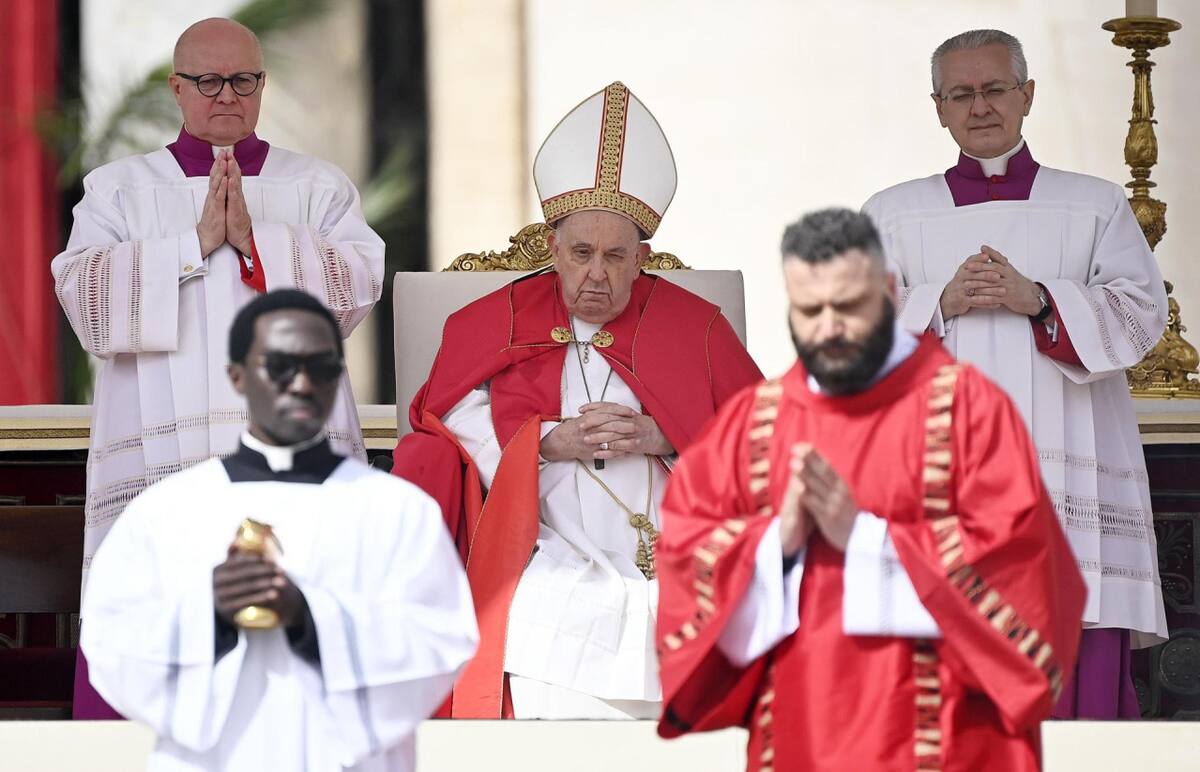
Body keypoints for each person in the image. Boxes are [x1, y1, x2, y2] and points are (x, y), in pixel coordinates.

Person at [656, 209, 1085, 770]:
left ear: (887, 291)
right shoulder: (752, 427)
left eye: (848, 307)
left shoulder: (969, 412)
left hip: (949, 740)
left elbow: (1024, 567)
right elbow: (688, 554)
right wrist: (775, 543)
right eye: (810, 311)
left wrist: (863, 538)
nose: (829, 328)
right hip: (802, 734)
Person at [391, 82, 762, 719]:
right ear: (552, 248)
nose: (597, 274)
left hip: (669, 532)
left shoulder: (694, 325)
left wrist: (664, 435)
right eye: (582, 254)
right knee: (550, 608)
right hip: (543, 534)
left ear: (642, 257)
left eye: (617, 257)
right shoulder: (493, 319)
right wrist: (544, 442)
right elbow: (444, 418)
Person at [51, 17, 384, 717]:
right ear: (176, 87)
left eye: (243, 80)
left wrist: (257, 242)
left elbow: (355, 288)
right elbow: (84, 298)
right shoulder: (118, 190)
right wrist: (193, 244)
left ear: (261, 85)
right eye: (207, 81)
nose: (225, 96)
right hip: (163, 452)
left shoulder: (316, 187)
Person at [862, 28, 1168, 718]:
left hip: (1069, 480)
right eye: (961, 94)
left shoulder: (1093, 205)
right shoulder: (892, 213)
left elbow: (1143, 314)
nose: (980, 106)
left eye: (995, 88)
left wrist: (1041, 300)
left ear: (1027, 95)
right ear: (938, 108)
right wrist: (936, 305)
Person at [80, 289, 477, 772]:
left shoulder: (397, 512)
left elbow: (441, 644)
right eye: (280, 365)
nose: (302, 384)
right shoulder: (166, 512)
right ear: (238, 376)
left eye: (322, 366)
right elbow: (111, 649)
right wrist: (211, 615)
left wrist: (309, 616)